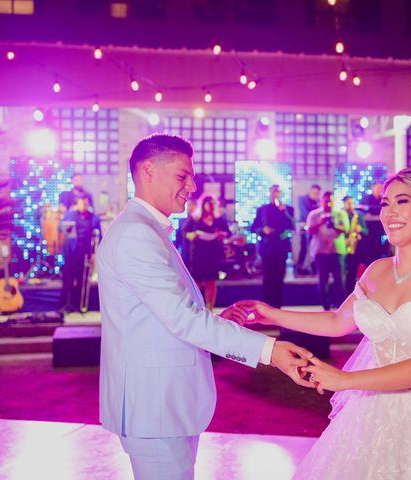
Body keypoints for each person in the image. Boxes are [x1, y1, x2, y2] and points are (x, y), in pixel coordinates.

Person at [238, 168, 411, 479]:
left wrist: (344, 380)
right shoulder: (377, 270)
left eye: (402, 201)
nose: (390, 212)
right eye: (385, 203)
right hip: (371, 410)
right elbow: (336, 322)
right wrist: (270, 314)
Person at [96, 134, 314, 480]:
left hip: (165, 402)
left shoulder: (147, 229)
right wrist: (270, 351)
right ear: (149, 171)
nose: (192, 186)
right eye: (183, 176)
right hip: (154, 406)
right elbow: (183, 319)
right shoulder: (135, 234)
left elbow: (166, 315)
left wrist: (216, 321)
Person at [251, 184, 295, 308]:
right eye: (273, 191)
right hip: (267, 248)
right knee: (268, 278)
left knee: (279, 278)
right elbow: (253, 227)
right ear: (270, 193)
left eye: (278, 192)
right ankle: (267, 306)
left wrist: (284, 211)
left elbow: (292, 226)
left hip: (281, 248)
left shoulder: (288, 209)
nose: (275, 194)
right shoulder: (262, 210)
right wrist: (262, 230)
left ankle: (277, 307)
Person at [306, 191, 350, 312]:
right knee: (322, 282)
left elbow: (346, 229)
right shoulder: (314, 215)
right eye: (326, 201)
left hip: (337, 251)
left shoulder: (341, 214)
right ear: (321, 201)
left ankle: (339, 308)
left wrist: (333, 225)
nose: (329, 203)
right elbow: (309, 231)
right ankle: (326, 308)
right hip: (320, 252)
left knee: (340, 281)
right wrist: (320, 222)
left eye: (331, 201)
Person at [184, 195, 230, 310]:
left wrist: (221, 235)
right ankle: (196, 309)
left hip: (213, 254)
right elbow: (185, 234)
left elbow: (227, 233)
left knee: (211, 282)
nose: (210, 205)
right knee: (197, 282)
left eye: (212, 203)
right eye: (207, 203)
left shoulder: (219, 220)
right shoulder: (194, 219)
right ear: (202, 204)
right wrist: (194, 235)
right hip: (198, 255)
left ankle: (209, 309)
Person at [59, 193, 101, 312]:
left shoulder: (94, 217)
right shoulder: (70, 214)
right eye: (82, 202)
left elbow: (99, 236)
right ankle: (66, 304)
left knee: (81, 280)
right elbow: (59, 227)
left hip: (85, 253)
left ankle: (78, 305)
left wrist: (94, 253)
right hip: (71, 252)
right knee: (68, 279)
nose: (84, 205)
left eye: (86, 202)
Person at [342, 195, 369, 297]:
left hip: (355, 248)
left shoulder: (358, 216)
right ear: (344, 204)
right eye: (349, 203)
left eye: (352, 203)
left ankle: (351, 295)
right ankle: (342, 297)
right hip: (343, 248)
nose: (351, 205)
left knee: (353, 274)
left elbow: (366, 231)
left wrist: (360, 231)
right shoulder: (341, 215)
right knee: (343, 275)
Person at [360, 180, 388, 263]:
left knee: (378, 251)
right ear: (373, 187)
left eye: (381, 187)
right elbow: (364, 214)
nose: (379, 189)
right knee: (369, 252)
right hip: (368, 231)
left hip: (379, 230)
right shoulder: (367, 199)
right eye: (378, 187)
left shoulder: (382, 200)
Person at [296, 184, 321, 274]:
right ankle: (300, 266)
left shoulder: (318, 202)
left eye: (317, 193)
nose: (315, 195)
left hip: (315, 229)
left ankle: (313, 268)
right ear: (310, 191)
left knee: (314, 248)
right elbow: (304, 213)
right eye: (314, 193)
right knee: (304, 247)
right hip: (305, 227)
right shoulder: (302, 199)